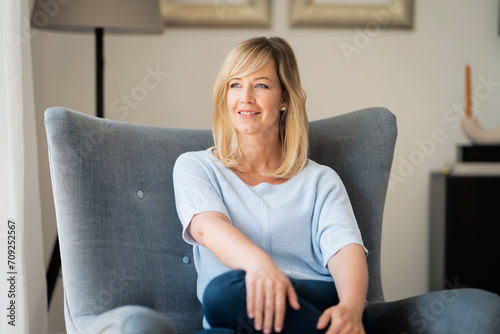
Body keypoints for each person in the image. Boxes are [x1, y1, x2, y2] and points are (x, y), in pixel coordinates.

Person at [173, 36, 370, 334]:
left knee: (221, 294)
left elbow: (345, 249)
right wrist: (261, 267)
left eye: (261, 85)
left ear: (285, 99)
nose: (245, 97)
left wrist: (351, 310)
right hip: (243, 310)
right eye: (235, 84)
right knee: (217, 321)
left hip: (313, 303)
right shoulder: (195, 166)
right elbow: (207, 228)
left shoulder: (320, 180)